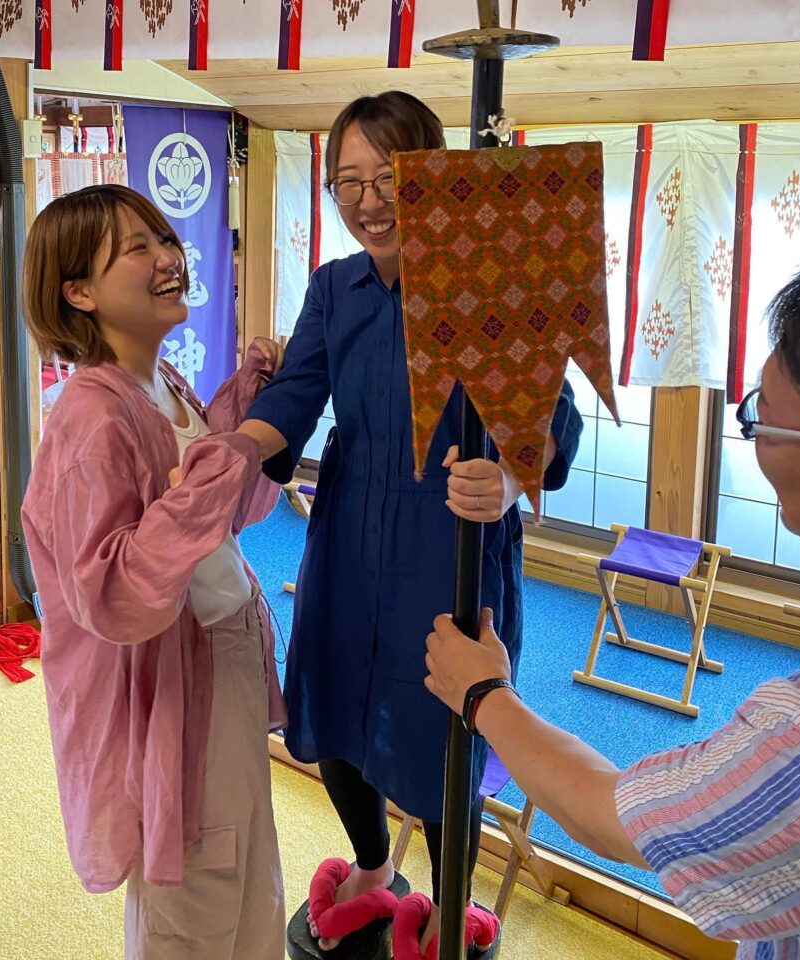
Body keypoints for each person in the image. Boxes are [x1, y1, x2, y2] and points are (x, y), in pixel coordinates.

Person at [237, 91, 584, 952]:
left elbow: (557, 411)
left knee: (445, 731)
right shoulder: (333, 287)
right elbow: (295, 396)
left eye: (388, 175)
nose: (367, 200)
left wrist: (508, 480)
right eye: (346, 181)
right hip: (349, 531)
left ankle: (450, 899)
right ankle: (370, 866)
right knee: (335, 709)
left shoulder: (490, 279)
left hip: (450, 541)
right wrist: (227, 453)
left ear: (435, 173)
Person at [424, 262, 800, 959]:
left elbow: (621, 815)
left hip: (481, 580)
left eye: (757, 415)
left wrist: (518, 470)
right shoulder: (354, 295)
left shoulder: (799, 740)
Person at [19, 184, 286, 960]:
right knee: (194, 881)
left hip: (221, 654)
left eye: (165, 239)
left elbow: (222, 511)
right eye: (137, 248)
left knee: (246, 865)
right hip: (172, 689)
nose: (167, 257)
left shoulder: (161, 384)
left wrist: (244, 414)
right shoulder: (89, 418)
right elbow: (110, 594)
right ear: (80, 291)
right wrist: (211, 472)